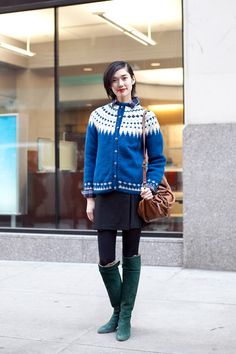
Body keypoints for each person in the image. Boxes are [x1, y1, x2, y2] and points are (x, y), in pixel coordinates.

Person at [82, 60, 166, 341]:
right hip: (104, 195)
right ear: (109, 85)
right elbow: (90, 158)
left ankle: (124, 317)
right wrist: (90, 198)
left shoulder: (147, 117)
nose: (120, 84)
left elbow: (157, 160)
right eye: (115, 80)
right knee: (106, 258)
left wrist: (151, 186)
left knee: (130, 256)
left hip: (133, 197)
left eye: (124, 78)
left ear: (132, 80)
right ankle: (119, 311)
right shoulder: (97, 116)